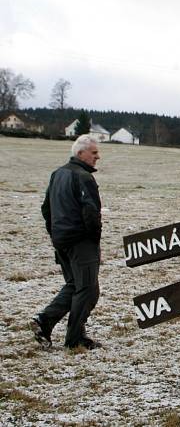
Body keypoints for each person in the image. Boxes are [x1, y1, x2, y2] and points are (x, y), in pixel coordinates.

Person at [31, 134, 103, 350]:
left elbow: (46, 208)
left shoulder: (58, 174)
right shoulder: (83, 177)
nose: (98, 157)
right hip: (80, 241)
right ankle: (75, 339)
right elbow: (91, 213)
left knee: (76, 285)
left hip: (62, 240)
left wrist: (55, 234)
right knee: (87, 289)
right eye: (94, 152)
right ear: (80, 153)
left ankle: (44, 321)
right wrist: (95, 243)